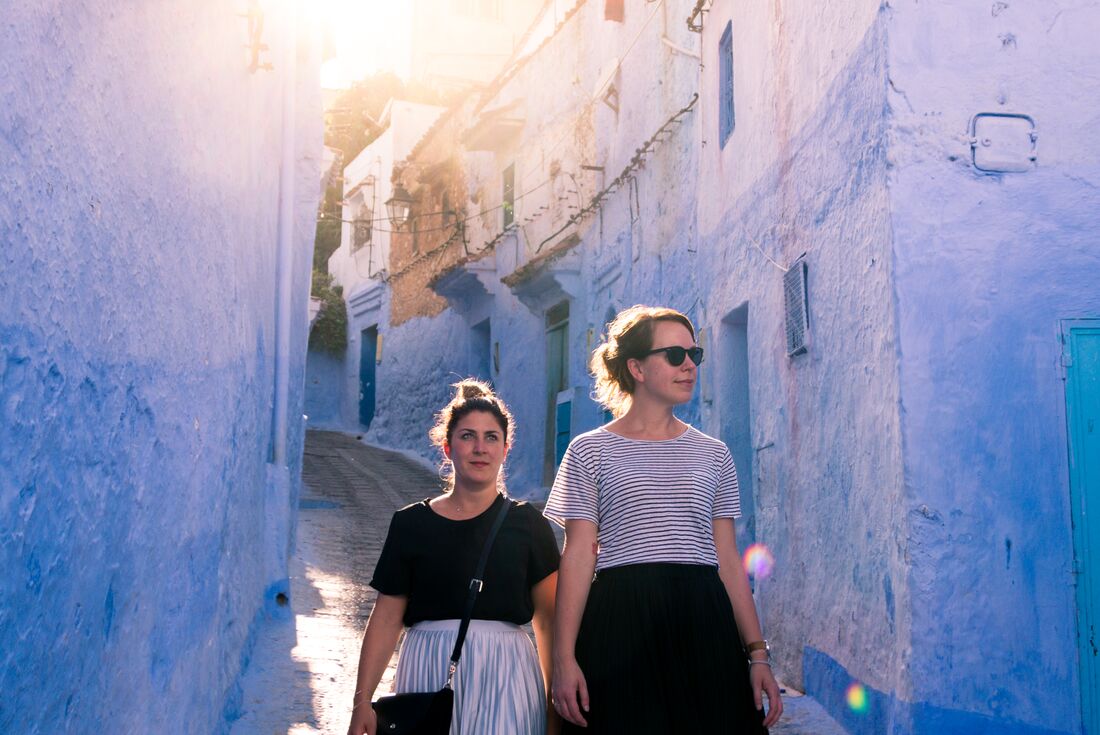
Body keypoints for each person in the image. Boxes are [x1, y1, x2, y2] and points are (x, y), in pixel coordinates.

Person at [545, 305, 783, 734]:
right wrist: (563, 660)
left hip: (703, 620)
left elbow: (728, 560)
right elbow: (578, 556)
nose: (689, 365)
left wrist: (757, 654)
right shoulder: (588, 451)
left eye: (695, 355)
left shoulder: (714, 454)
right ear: (636, 367)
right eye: (675, 356)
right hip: (620, 622)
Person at [347, 380, 561, 735]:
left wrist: (554, 713)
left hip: (507, 677)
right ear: (447, 447)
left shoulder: (529, 525)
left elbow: (550, 626)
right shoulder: (410, 523)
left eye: (492, 437)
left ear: (506, 449)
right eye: (467, 437)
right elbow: (386, 617)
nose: (480, 448)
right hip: (427, 674)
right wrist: (362, 702)